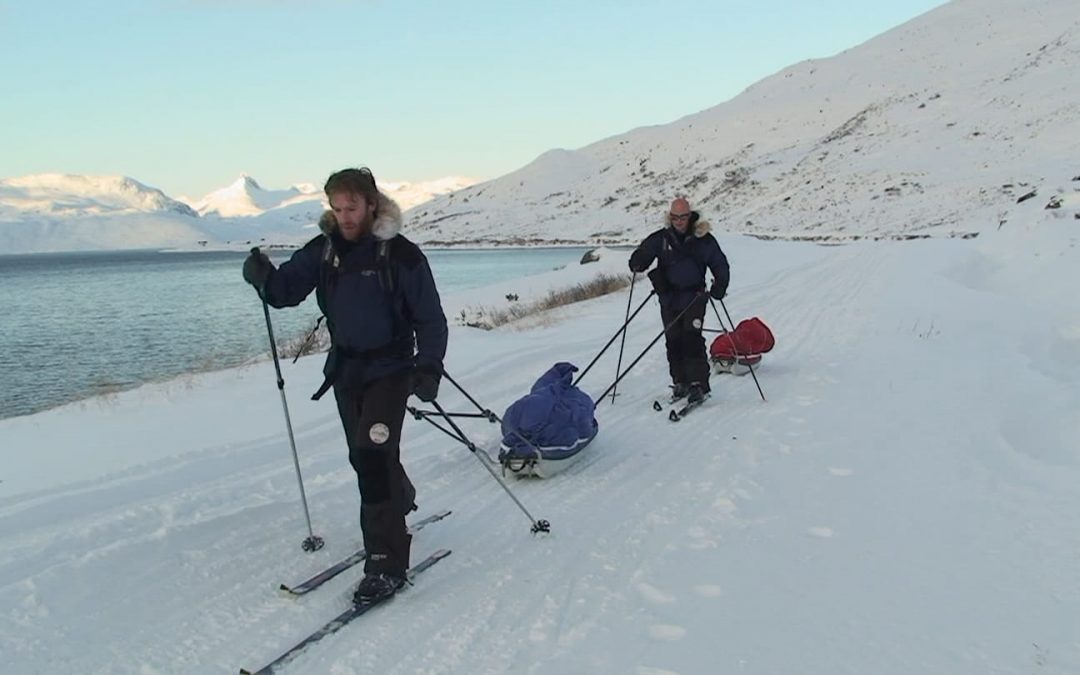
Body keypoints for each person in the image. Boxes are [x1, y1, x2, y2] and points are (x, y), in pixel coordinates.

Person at [242, 167, 448, 603]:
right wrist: (262, 277)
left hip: (392, 371)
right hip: (347, 372)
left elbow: (431, 318)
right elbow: (284, 292)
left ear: (371, 204)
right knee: (365, 456)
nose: (344, 216)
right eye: (336, 208)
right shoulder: (324, 251)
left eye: (351, 207)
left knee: (372, 459)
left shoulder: (402, 255)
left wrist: (428, 367)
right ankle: (400, 494)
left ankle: (385, 562)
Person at [628, 197, 729, 404]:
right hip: (668, 297)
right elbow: (643, 254)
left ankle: (698, 384)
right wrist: (637, 262)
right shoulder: (662, 238)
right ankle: (680, 382)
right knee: (673, 340)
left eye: (683, 217)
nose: (679, 221)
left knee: (692, 338)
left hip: (695, 297)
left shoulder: (704, 239)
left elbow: (720, 264)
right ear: (670, 216)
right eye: (675, 217)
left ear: (690, 215)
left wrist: (719, 286)